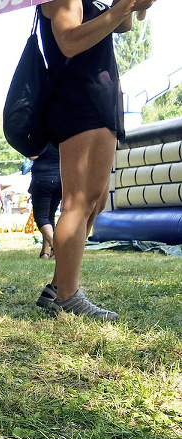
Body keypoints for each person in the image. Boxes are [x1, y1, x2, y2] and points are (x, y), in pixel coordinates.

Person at [36, 0, 155, 319]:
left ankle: (58, 286)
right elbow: (69, 41)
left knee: (97, 198)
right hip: (81, 97)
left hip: (99, 96)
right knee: (79, 200)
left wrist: (135, 7)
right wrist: (121, 9)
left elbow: (123, 25)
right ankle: (67, 297)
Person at [28, 144, 61, 259]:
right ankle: (44, 253)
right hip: (60, 179)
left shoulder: (43, 137)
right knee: (50, 216)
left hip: (43, 178)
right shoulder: (62, 135)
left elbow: (32, 156)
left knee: (41, 217)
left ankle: (57, 248)